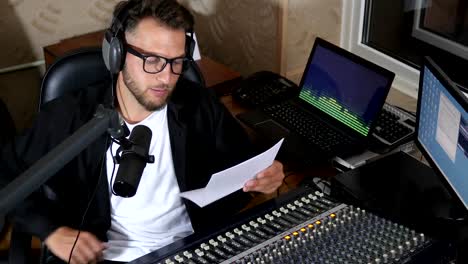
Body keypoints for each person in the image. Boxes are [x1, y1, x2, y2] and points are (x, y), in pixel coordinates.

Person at [0, 0, 284, 263]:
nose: (166, 77)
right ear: (117, 54)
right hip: (111, 257)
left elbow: (242, 162)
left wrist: (266, 176)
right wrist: (51, 231)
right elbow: (5, 172)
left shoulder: (197, 103)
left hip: (194, 246)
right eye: (152, 60)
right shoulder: (70, 116)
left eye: (176, 62)